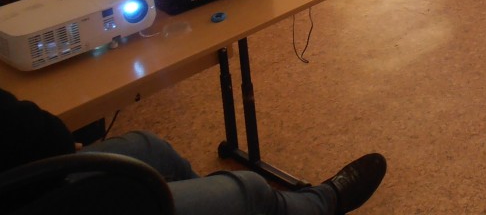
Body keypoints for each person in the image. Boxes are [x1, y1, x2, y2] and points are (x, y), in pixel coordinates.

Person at [0, 87, 386, 215]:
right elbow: (44, 137)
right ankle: (321, 203)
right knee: (250, 188)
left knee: (150, 147)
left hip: (24, 172)